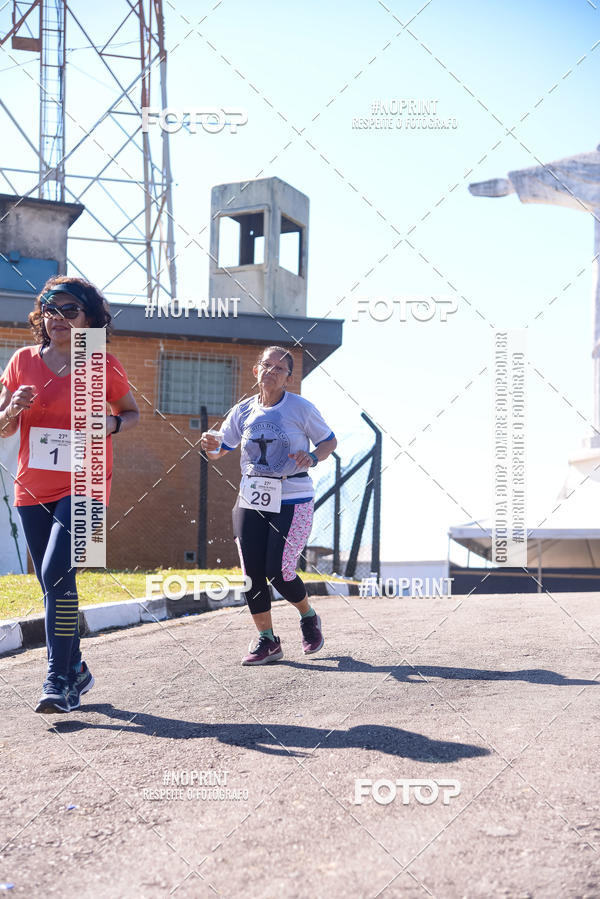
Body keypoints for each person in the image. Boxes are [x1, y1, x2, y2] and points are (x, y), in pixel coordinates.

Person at [0, 277, 139, 713]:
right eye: (50, 310)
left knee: (58, 571)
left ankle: (58, 679)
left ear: (89, 318)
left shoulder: (101, 362)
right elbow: (2, 427)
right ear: (41, 317)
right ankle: (75, 666)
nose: (58, 318)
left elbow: (131, 413)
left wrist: (111, 425)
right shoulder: (22, 361)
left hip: (89, 485)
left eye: (70, 310)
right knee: (50, 581)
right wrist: (11, 409)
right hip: (32, 488)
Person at [201, 345, 337, 665]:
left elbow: (329, 440)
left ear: (288, 378)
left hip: (292, 496)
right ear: (255, 371)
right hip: (251, 497)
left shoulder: (300, 409)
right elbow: (222, 448)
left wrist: (314, 456)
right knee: (252, 574)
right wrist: (211, 445)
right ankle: (267, 640)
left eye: (279, 369)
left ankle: (308, 616)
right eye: (266, 365)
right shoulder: (243, 411)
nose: (271, 372)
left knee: (279, 570)